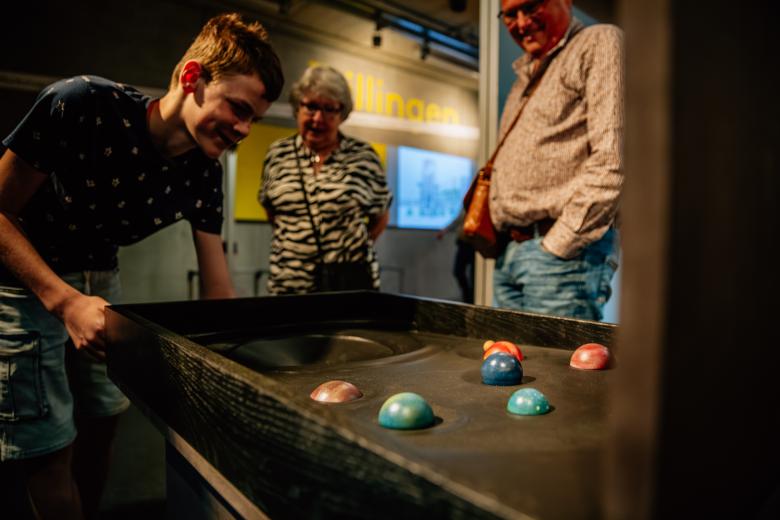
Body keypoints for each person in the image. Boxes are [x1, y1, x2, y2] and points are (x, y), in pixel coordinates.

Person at [0, 13, 283, 519]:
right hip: (24, 281)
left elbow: (219, 292)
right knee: (49, 447)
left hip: (101, 281)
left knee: (104, 421)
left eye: (253, 120)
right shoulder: (82, 102)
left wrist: (245, 382)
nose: (243, 130)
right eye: (238, 109)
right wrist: (64, 301)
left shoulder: (203, 172)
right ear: (192, 78)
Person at [490, 0, 623, 320]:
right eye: (510, 14)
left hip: (560, 256)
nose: (522, 22)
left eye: (530, 7)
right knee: (507, 352)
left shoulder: (597, 42)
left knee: (552, 355)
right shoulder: (528, 72)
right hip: (512, 253)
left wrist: (560, 244)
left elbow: (615, 157)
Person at [260, 65, 392, 295]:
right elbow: (271, 209)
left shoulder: (363, 156)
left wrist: (347, 249)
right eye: (311, 106)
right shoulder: (277, 154)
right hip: (289, 284)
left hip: (348, 286)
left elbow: (380, 217)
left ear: (342, 113)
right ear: (298, 107)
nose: (318, 118)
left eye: (329, 109)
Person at [436, 211, 475, 304]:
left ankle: (471, 299)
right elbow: (458, 220)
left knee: (474, 276)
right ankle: (468, 298)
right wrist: (444, 230)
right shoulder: (466, 206)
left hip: (474, 245)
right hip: (463, 244)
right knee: (458, 271)